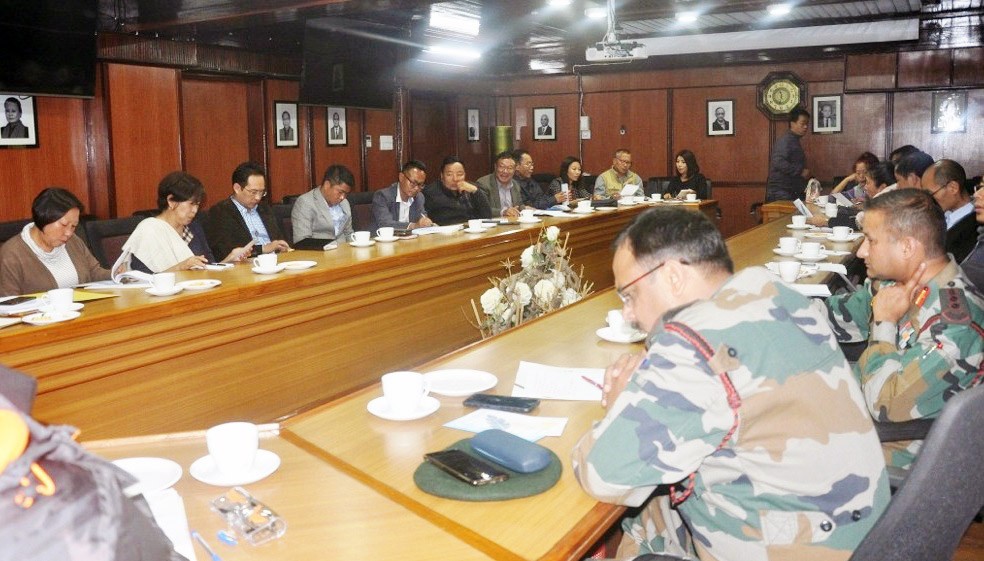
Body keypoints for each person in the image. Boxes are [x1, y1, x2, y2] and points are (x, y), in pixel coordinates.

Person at [572, 206, 889, 560]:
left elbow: (603, 474)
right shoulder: (776, 294)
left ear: (674, 276)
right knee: (651, 511)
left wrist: (623, 399)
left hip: (794, 544)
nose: (628, 314)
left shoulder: (695, 343)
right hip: (854, 529)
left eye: (629, 296)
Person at [817, 188, 984, 470]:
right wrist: (775, 307)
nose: (861, 251)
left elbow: (882, 404)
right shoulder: (898, 284)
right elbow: (839, 314)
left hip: (893, 454)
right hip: (858, 415)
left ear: (907, 247)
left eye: (871, 241)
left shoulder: (956, 327)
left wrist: (884, 324)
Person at [122, 172, 250, 273]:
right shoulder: (148, 230)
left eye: (198, 205)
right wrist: (180, 267)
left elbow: (209, 268)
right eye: (191, 204)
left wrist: (230, 259)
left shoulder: (194, 228)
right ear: (171, 201)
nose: (195, 210)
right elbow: (140, 279)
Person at [0, 188, 109, 296]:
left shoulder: (73, 241)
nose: (69, 233)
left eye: (73, 226)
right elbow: (8, 305)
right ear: (43, 218)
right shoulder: (11, 255)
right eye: (64, 225)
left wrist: (118, 273)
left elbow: (94, 273)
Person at [205, 161, 290, 261]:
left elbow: (278, 239)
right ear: (237, 188)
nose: (258, 198)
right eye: (253, 192)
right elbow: (226, 250)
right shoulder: (221, 212)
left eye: (261, 192)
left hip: (276, 262)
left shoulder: (265, 209)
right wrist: (263, 249)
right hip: (244, 268)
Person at [809, 160, 895, 229]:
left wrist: (825, 222)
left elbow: (856, 223)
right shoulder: (888, 197)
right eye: (858, 173)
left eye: (868, 183)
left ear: (882, 187)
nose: (865, 187)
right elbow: (833, 196)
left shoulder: (886, 203)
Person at [919, 159, 976, 262]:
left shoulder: (976, 225)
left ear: (953, 188)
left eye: (930, 193)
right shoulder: (938, 214)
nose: (928, 199)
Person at [291, 164, 355, 243]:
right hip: (319, 253)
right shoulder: (305, 203)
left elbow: (349, 234)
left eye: (346, 194)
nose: (343, 197)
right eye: (340, 192)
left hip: (344, 252)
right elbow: (301, 241)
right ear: (327, 185)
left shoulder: (344, 203)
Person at [422, 156, 491, 225]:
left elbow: (487, 216)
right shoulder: (430, 192)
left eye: (459, 174)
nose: (455, 179)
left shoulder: (471, 188)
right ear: (442, 176)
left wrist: (475, 191)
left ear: (465, 174)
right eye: (449, 174)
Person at [370, 160, 433, 231]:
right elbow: (385, 224)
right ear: (401, 177)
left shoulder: (419, 197)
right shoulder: (382, 196)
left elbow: (422, 217)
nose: (416, 188)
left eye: (420, 185)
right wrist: (413, 226)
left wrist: (426, 223)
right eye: (413, 183)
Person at [765, 107, 811, 202]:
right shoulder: (786, 140)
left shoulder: (793, 140)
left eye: (807, 124)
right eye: (802, 123)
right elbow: (778, 162)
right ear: (792, 123)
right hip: (781, 193)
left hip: (788, 191)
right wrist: (800, 171)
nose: (806, 127)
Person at [476, 152, 525, 218]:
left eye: (510, 168)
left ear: (514, 170)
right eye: (502, 167)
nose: (505, 171)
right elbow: (482, 209)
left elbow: (519, 204)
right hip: (492, 225)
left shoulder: (515, 185)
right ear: (495, 167)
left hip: (512, 223)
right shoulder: (483, 183)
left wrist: (525, 209)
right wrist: (504, 212)